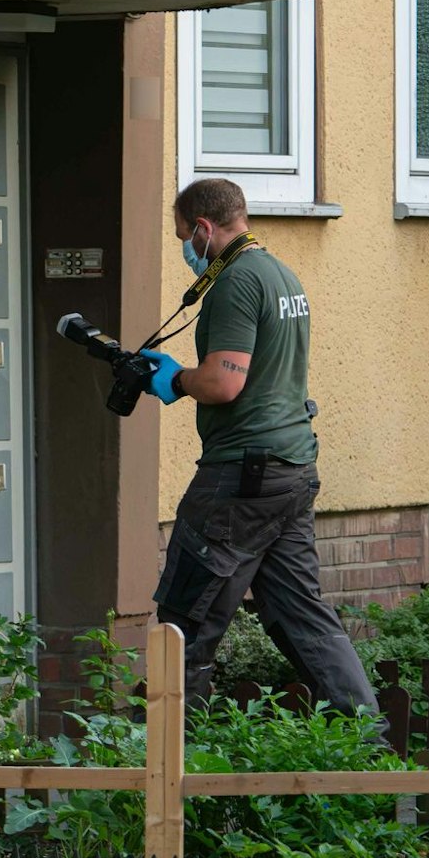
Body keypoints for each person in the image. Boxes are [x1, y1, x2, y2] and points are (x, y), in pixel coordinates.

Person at [139, 178, 379, 716]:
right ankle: (373, 748)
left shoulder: (236, 282)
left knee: (185, 622)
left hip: (240, 478)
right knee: (303, 617)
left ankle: (161, 764)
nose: (184, 248)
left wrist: (176, 381)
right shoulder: (280, 274)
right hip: (291, 470)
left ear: (203, 229)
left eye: (183, 235)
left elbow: (226, 383)